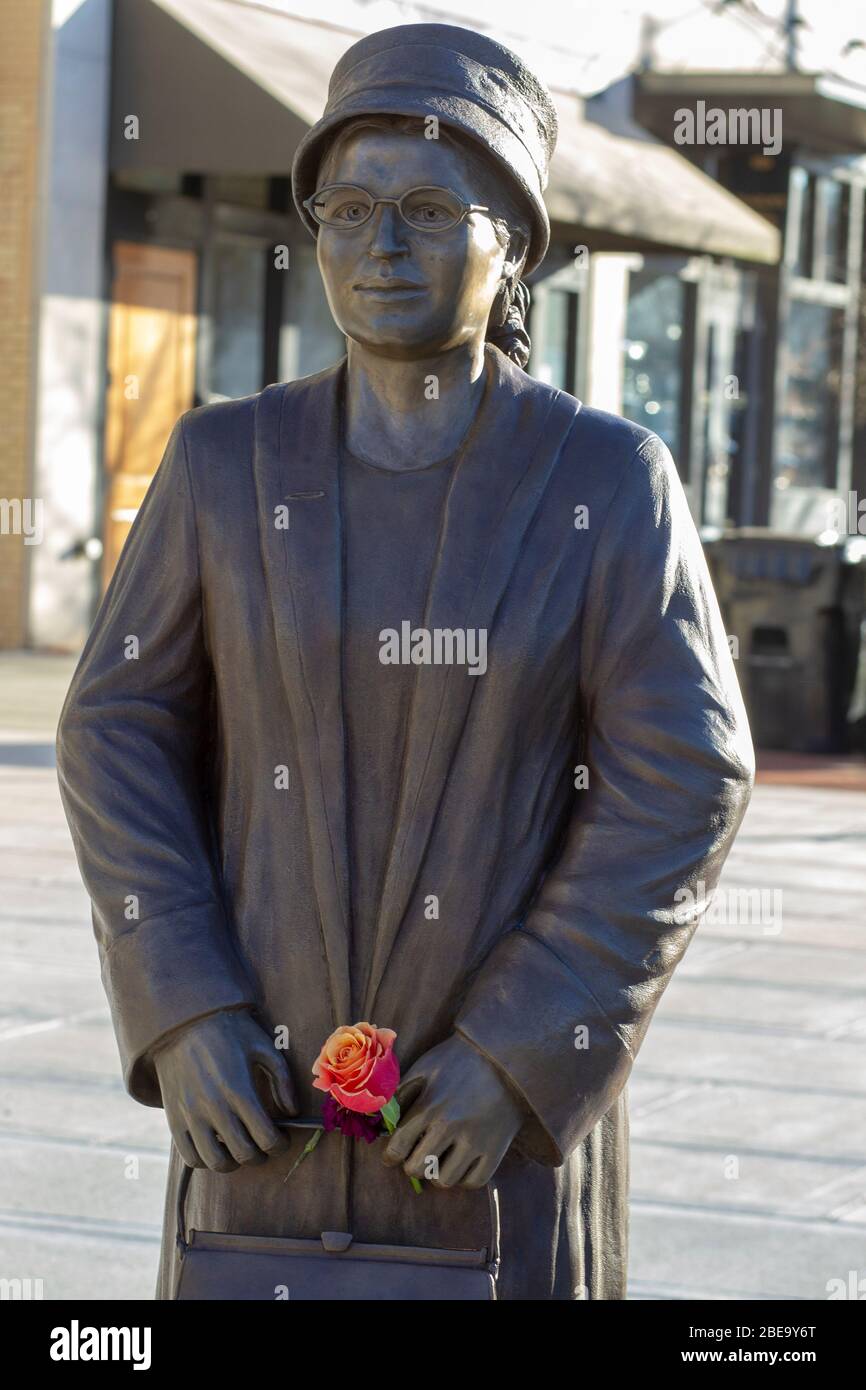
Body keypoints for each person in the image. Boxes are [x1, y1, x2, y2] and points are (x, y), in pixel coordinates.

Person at [56, 23, 753, 1300]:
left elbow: (683, 780)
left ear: (515, 245)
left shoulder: (604, 482)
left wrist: (521, 1046)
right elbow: (116, 729)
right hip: (255, 1101)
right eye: (350, 207)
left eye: (430, 209)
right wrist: (185, 1005)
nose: (380, 246)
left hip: (488, 1137)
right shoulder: (226, 465)